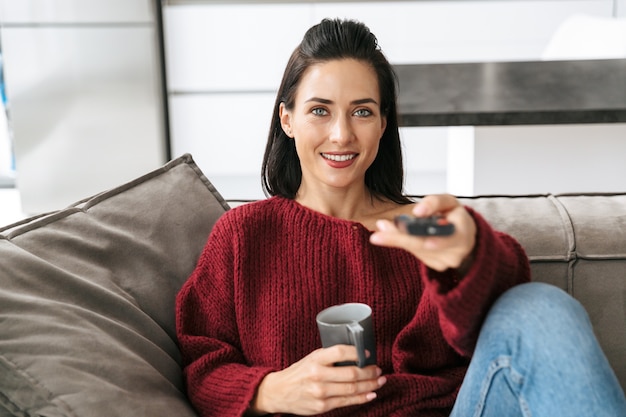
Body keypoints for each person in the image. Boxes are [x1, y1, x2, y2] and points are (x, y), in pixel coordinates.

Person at [176, 18, 626, 417]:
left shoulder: (421, 229)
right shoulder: (243, 236)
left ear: (383, 124)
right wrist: (270, 391)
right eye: (319, 110)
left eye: (362, 111)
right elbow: (201, 365)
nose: (342, 134)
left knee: (540, 306)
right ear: (287, 119)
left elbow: (507, 319)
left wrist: (468, 252)